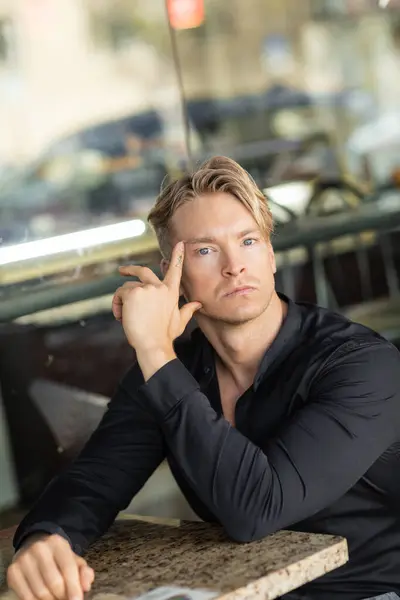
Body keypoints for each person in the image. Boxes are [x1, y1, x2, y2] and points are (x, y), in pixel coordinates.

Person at [7, 156, 400, 600]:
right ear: (174, 276)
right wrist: (48, 538)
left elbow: (257, 508)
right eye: (205, 250)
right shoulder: (171, 371)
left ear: (271, 255)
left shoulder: (360, 365)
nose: (234, 265)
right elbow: (95, 481)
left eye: (248, 241)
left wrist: (154, 348)